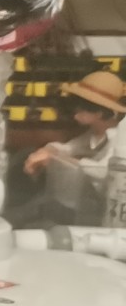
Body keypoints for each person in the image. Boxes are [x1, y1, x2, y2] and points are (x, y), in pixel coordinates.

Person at [16, 70, 125, 225]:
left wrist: (54, 157)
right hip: (86, 205)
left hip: (109, 212)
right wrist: (47, 151)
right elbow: (69, 147)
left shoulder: (120, 136)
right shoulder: (94, 133)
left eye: (81, 107)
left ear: (99, 113)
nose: (75, 110)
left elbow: (102, 171)